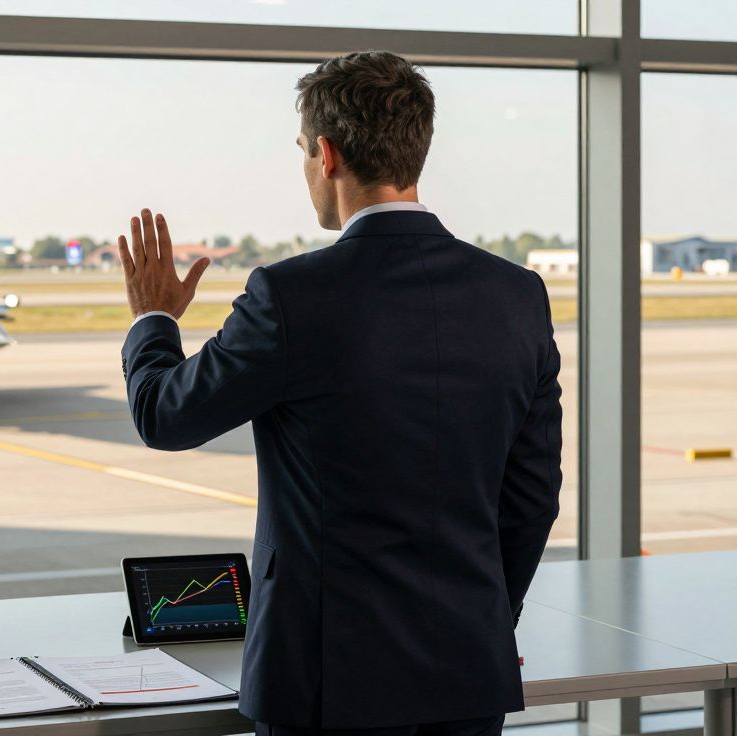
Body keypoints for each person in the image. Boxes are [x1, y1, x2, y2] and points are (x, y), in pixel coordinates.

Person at [117, 51, 561, 736]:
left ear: (326, 155)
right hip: (468, 677)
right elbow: (532, 497)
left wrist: (155, 319)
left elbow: (164, 415)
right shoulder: (517, 295)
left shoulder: (290, 296)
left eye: (301, 152)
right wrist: (485, 623)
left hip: (329, 687)